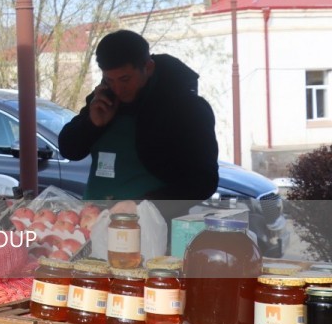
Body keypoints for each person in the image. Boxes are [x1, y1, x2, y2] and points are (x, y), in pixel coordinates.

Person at [57, 28, 219, 208]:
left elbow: (204, 181)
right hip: (95, 221)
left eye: (125, 79)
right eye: (110, 80)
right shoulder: (103, 98)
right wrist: (91, 125)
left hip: (154, 226)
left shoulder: (187, 107)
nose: (118, 89)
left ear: (148, 68)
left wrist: (146, 205)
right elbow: (69, 150)